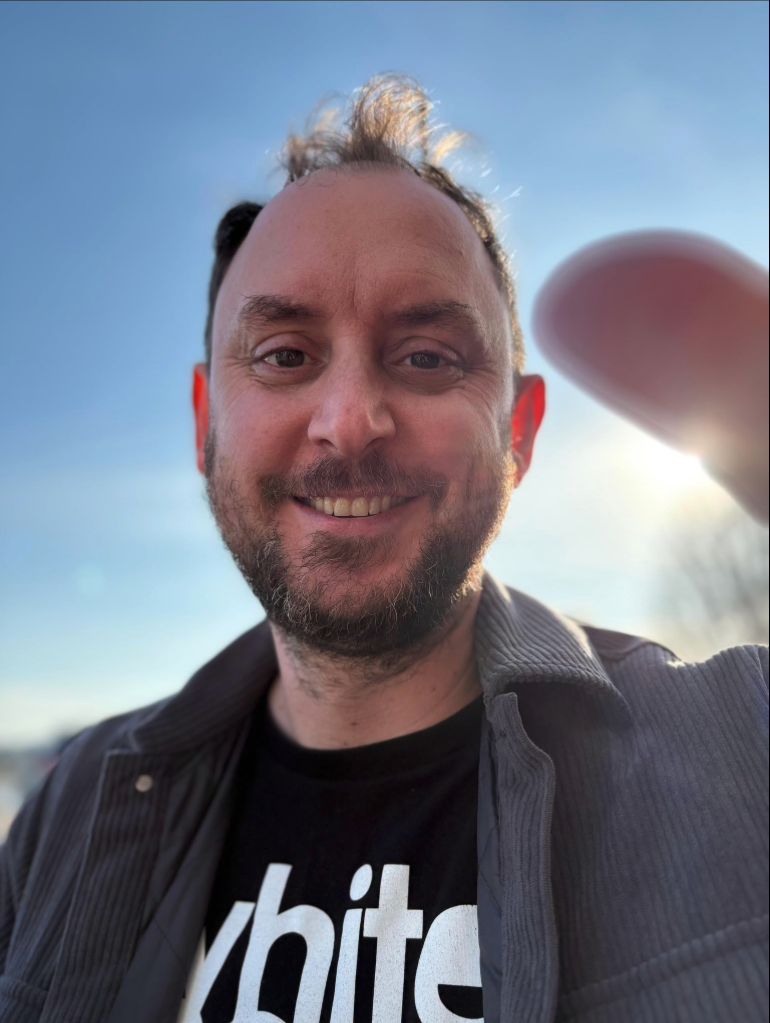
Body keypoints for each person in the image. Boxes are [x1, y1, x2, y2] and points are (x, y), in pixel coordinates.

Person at [0, 75, 766, 1023]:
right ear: (206, 424)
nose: (350, 420)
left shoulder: (737, 752)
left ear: (518, 430)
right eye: (284, 354)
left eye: (428, 357)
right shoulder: (69, 813)